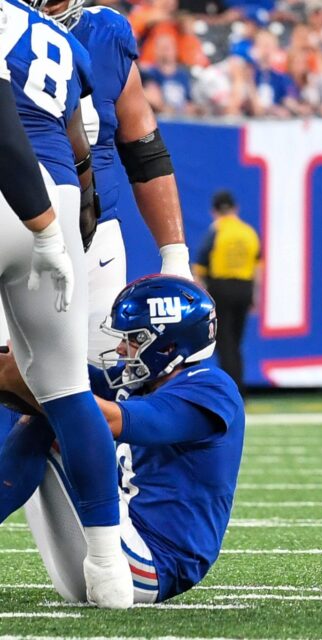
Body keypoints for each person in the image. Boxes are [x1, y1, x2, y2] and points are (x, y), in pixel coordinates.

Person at [0, 0, 133, 608]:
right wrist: (64, 225)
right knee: (67, 389)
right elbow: (83, 147)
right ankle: (108, 568)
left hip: (17, 188)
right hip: (56, 193)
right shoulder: (60, 38)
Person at [0, 276, 244, 604]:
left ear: (168, 345)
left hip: (152, 562)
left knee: (52, 418)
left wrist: (31, 378)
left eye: (132, 339)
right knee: (28, 402)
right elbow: (69, 381)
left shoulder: (210, 388)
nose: (120, 348)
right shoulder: (144, 381)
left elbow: (108, 419)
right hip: (114, 548)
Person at [31, 0, 194, 364]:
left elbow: (145, 151)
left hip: (95, 234)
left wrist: (175, 255)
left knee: (101, 374)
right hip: (18, 228)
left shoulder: (105, 33)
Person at [193, 191, 261, 393]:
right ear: (235, 209)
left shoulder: (216, 231)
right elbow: (258, 266)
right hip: (245, 288)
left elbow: (199, 269)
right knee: (237, 343)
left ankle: (231, 390)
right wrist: (255, 295)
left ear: (214, 211)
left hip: (220, 289)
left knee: (224, 344)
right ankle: (239, 388)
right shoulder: (248, 232)